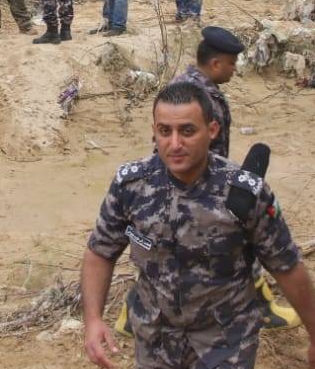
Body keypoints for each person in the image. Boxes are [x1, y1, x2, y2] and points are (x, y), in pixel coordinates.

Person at [81, 82, 315, 369]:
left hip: (222, 339)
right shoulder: (132, 186)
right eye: (164, 131)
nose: (175, 144)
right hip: (156, 336)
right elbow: (100, 252)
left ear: (212, 130)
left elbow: (288, 267)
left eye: (187, 131)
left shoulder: (242, 195)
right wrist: (93, 319)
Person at [113, 27, 300, 336]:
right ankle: (262, 308)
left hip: (165, 185)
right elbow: (208, 155)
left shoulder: (181, 84)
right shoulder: (207, 100)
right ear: (215, 64)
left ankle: (130, 314)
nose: (234, 70)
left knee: (164, 255)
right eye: (231, 64)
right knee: (235, 245)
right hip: (194, 188)